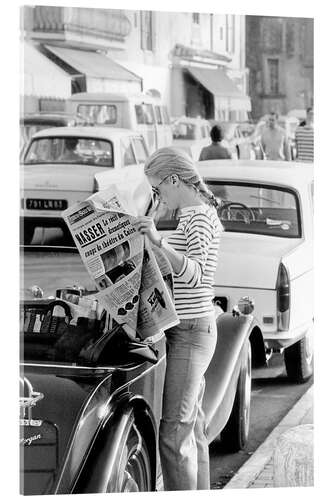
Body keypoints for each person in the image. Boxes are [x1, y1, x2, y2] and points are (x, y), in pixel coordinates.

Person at [133, 147, 223, 491]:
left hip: (191, 331)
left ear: (173, 179)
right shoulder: (194, 214)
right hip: (191, 328)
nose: (158, 196)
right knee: (191, 429)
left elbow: (197, 274)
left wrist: (156, 239)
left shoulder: (197, 216)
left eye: (158, 188)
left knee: (173, 433)